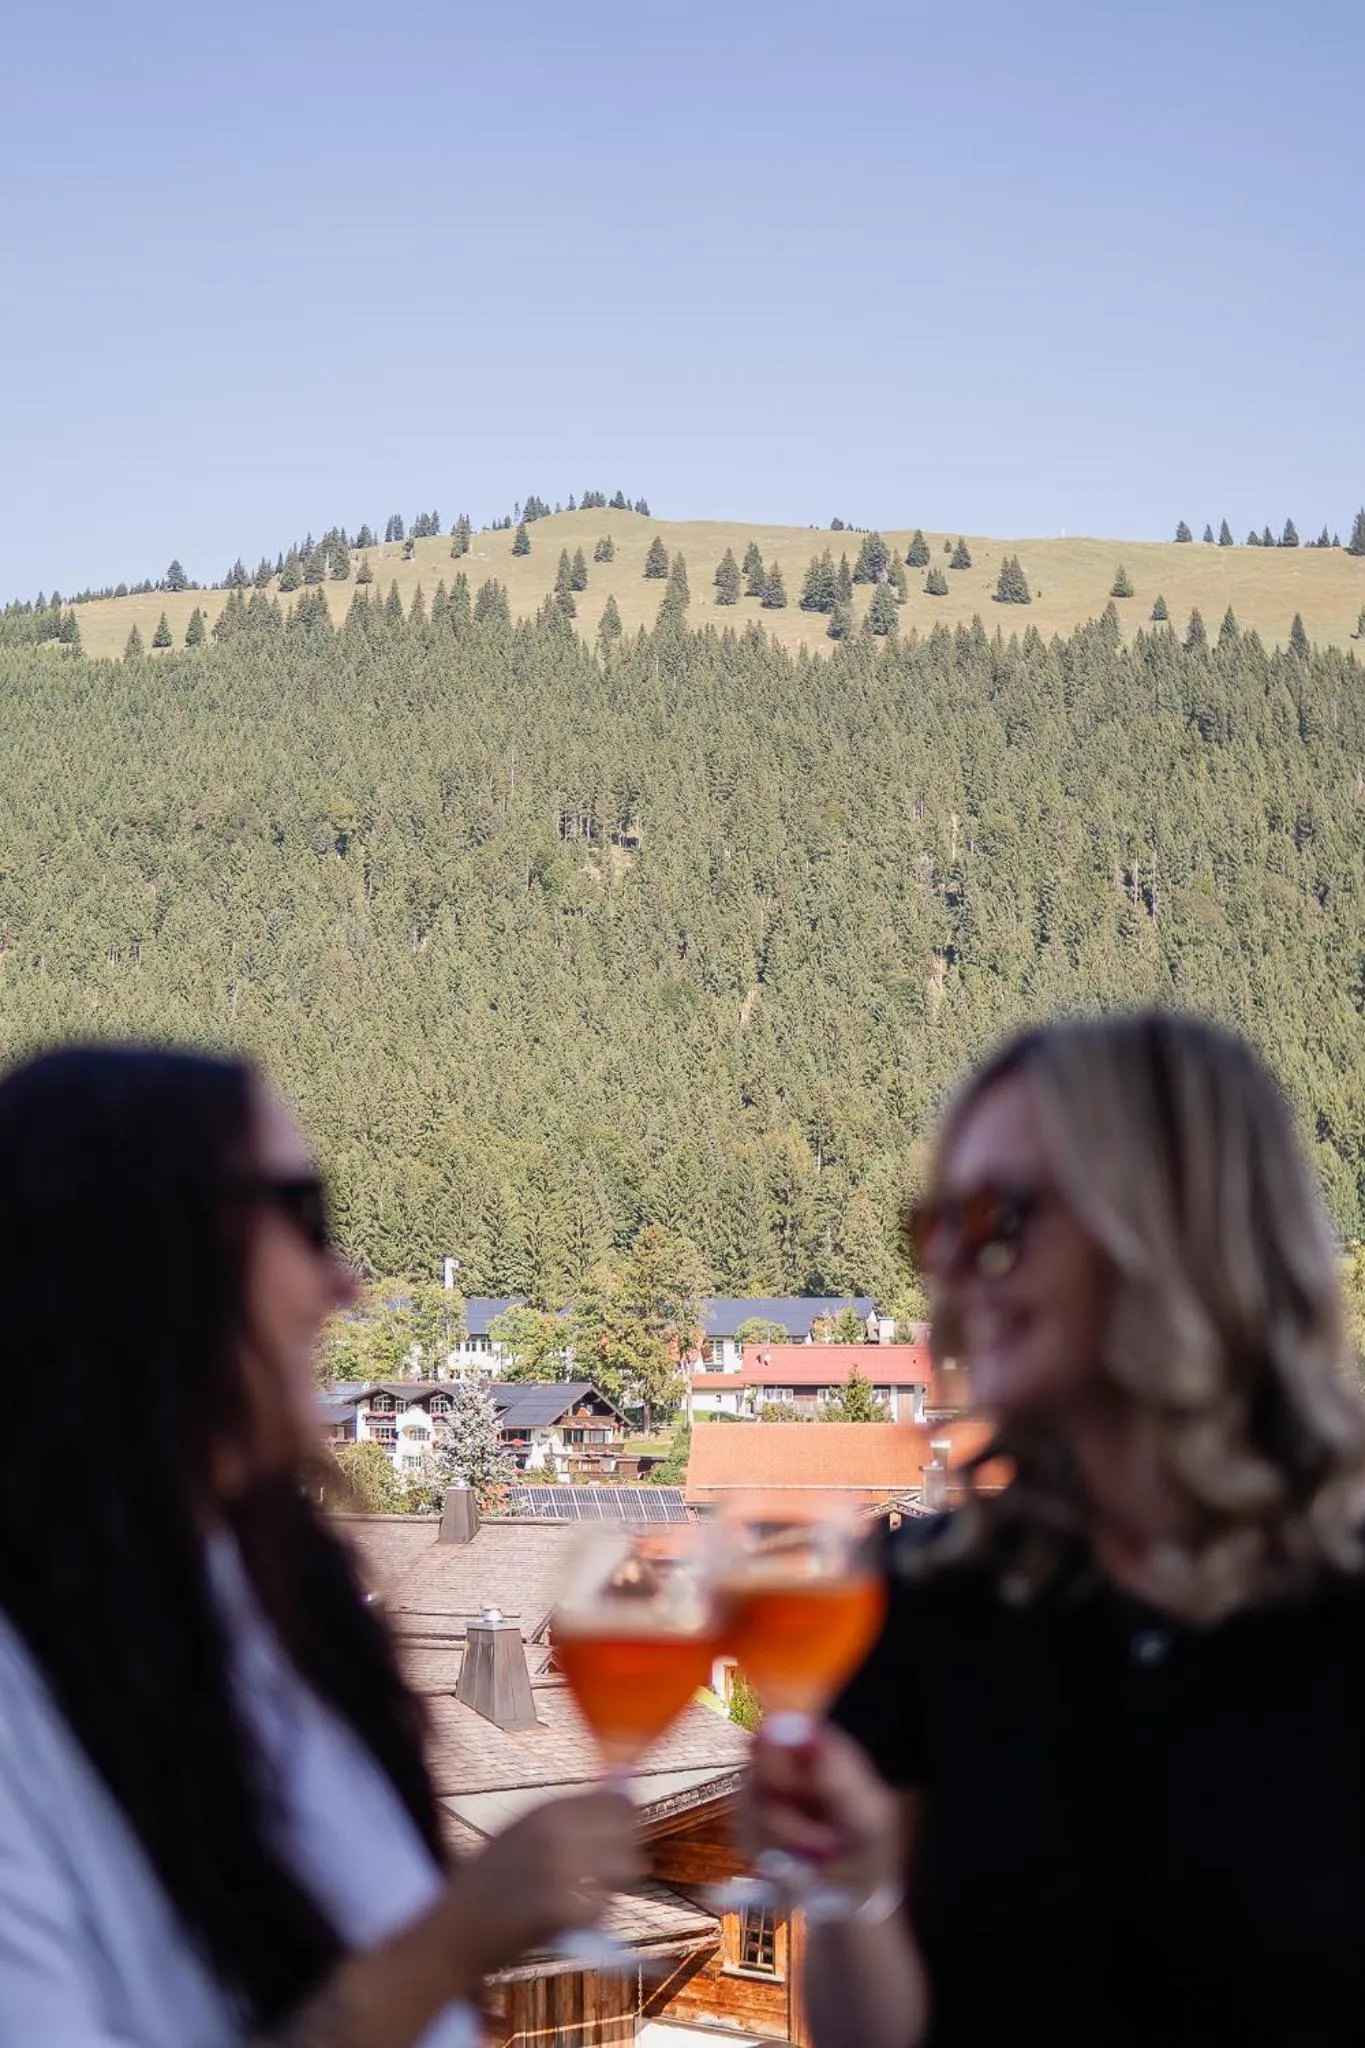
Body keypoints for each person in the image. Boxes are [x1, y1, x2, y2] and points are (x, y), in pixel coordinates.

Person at [0, 1045, 638, 2048]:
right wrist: (450, 1944)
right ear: (147, 1253)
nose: (342, 1280)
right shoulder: (21, 1703)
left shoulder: (281, 1603)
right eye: (303, 1214)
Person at [748, 1012, 1365, 2048]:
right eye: (937, 1224)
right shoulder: (926, 1590)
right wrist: (851, 1892)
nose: (952, 1264)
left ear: (1170, 1223)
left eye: (995, 1216)